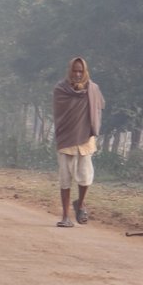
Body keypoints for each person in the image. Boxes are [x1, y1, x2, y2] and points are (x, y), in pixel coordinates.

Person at [52, 56, 106, 227]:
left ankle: (81, 204)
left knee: (85, 177)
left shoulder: (93, 89)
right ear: (69, 71)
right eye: (74, 71)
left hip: (85, 139)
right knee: (65, 179)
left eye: (80, 71)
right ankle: (65, 216)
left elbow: (100, 106)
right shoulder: (61, 89)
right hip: (66, 138)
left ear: (85, 72)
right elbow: (59, 112)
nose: (77, 74)